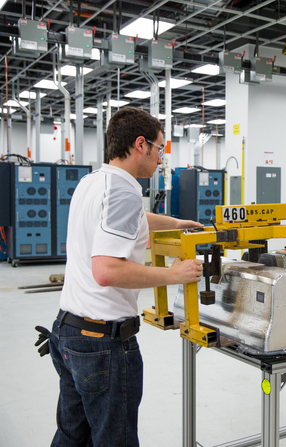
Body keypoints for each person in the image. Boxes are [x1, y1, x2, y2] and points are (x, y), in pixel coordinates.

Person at [42, 107, 204, 447]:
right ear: (140, 145)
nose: (161, 159)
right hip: (103, 344)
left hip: (69, 333)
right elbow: (107, 270)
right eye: (160, 149)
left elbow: (133, 219)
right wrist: (173, 274)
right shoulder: (124, 190)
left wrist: (176, 223)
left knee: (73, 436)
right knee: (114, 440)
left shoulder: (93, 182)